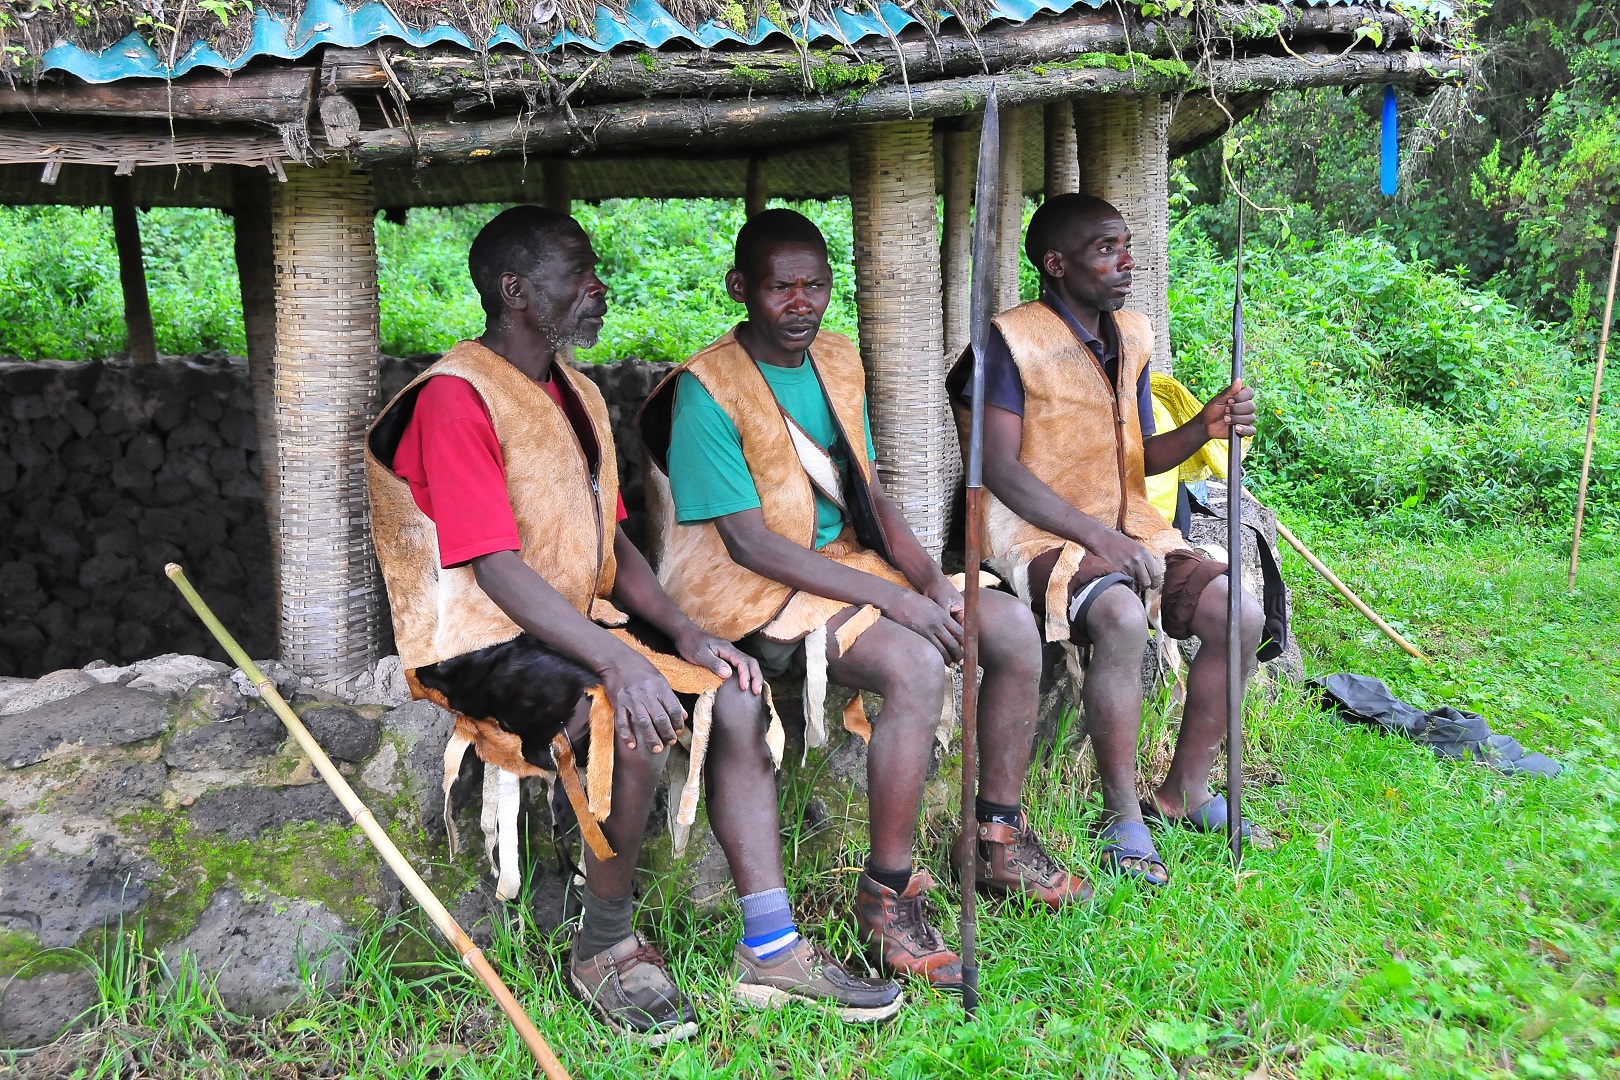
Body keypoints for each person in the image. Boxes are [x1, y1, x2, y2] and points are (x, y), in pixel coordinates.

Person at [365, 206, 900, 1045]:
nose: (597, 287)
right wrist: (618, 658)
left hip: (568, 621)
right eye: (578, 274)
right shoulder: (453, 397)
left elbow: (612, 540)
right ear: (515, 291)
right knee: (629, 720)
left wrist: (684, 634)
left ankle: (771, 947)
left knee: (735, 694)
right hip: (476, 639)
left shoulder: (571, 390)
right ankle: (605, 946)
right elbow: (495, 568)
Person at [638, 209, 1090, 994]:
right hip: (742, 589)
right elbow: (751, 546)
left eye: (816, 285)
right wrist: (906, 609)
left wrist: (926, 581)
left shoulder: (836, 360)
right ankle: (887, 897)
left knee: (1009, 625)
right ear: (740, 288)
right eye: (782, 287)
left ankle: (997, 838)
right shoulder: (705, 390)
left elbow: (869, 500)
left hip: (833, 565)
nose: (802, 303)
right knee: (917, 664)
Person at [948, 193, 1264, 887]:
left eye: (1126, 245)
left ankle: (1185, 791)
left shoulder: (1130, 334)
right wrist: (1096, 535)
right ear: (1056, 264)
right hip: (1029, 532)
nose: (1126, 262)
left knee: (1240, 614)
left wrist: (1204, 427)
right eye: (1105, 250)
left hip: (1126, 526)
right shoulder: (1007, 343)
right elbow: (996, 468)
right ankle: (1122, 815)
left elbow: (1138, 457)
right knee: (1120, 614)